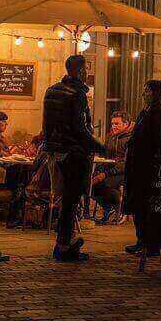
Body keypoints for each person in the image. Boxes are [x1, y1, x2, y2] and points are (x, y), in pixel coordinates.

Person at [42, 54, 106, 262]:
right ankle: (64, 245)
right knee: (71, 199)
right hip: (73, 152)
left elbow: (47, 125)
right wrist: (99, 146)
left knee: (65, 200)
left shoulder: (51, 90)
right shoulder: (76, 94)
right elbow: (79, 128)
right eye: (86, 69)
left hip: (55, 151)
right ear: (79, 71)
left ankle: (63, 242)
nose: (87, 73)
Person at [122, 80, 161, 256]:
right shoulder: (148, 110)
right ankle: (142, 240)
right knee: (139, 205)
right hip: (139, 165)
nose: (144, 94)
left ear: (156, 93)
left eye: (147, 91)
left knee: (146, 205)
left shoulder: (158, 112)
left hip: (148, 167)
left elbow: (157, 141)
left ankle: (149, 244)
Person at [90, 111, 133, 224]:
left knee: (103, 183)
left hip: (124, 172)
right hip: (108, 169)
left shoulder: (131, 139)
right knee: (88, 183)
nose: (113, 126)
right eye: (112, 124)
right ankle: (108, 208)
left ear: (126, 124)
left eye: (117, 124)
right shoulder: (111, 137)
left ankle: (119, 207)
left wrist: (106, 174)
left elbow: (127, 162)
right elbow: (105, 155)